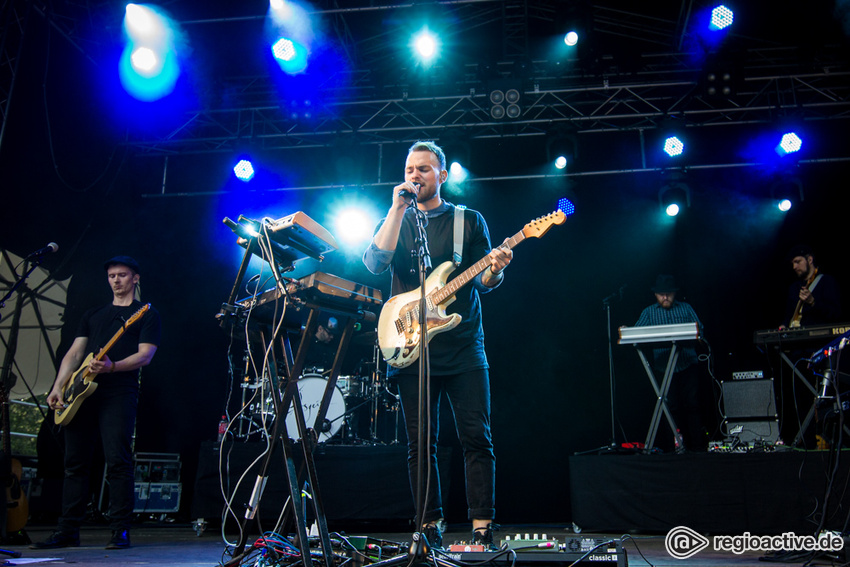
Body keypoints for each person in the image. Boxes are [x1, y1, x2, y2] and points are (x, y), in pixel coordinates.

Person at [362, 141, 512, 550]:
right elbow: (375, 263)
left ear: (442, 176)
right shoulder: (396, 219)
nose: (415, 175)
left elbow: (485, 281)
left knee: (476, 437)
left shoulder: (468, 220)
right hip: (412, 347)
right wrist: (395, 210)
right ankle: (429, 523)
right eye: (410, 169)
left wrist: (496, 270)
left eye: (424, 169)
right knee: (419, 443)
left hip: (463, 346)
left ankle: (482, 525)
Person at [31, 256, 161, 550]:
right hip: (80, 393)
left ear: (135, 278)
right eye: (112, 275)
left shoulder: (145, 314)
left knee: (118, 460)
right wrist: (58, 387)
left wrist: (113, 367)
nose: (116, 280)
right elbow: (75, 354)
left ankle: (120, 530)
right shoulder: (93, 314)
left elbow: (145, 356)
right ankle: (67, 530)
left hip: (119, 391)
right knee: (74, 463)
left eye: (123, 275)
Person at [635, 274, 707, 452]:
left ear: (675, 294)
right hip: (664, 367)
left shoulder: (685, 308)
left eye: (668, 293)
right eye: (661, 294)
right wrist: (627, 330)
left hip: (687, 364)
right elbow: (636, 334)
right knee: (669, 407)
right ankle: (675, 447)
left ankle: (698, 447)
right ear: (655, 295)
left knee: (693, 404)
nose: (665, 297)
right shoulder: (649, 312)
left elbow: (700, 330)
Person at [781, 245, 841, 329]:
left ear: (809, 259)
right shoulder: (794, 288)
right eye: (793, 263)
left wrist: (813, 302)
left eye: (798, 262)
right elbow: (789, 316)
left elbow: (835, 314)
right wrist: (784, 325)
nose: (794, 267)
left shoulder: (826, 281)